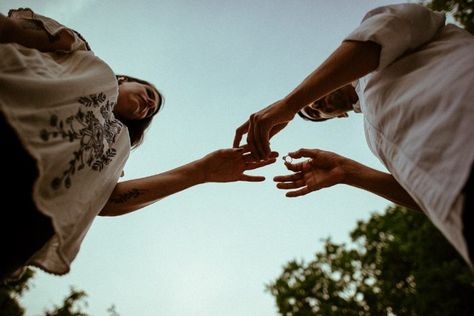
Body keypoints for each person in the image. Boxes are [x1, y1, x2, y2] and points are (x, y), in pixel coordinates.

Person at [0, 8, 277, 281]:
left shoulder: (117, 150)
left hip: (23, 227)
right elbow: (12, 31)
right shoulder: (84, 57)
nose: (150, 104)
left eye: (152, 109)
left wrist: (201, 171)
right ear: (124, 80)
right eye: (148, 93)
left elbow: (105, 201)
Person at [233, 3, 474, 266]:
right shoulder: (375, 133)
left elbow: (385, 31)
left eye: (311, 102)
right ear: (338, 117)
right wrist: (348, 172)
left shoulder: (373, 57)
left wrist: (290, 104)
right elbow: (425, 192)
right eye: (314, 114)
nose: (314, 106)